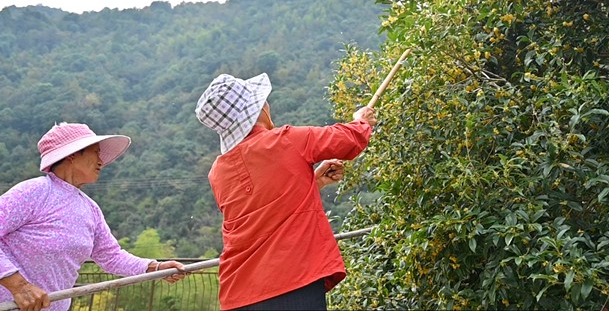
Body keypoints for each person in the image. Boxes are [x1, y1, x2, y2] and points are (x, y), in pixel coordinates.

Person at [195, 72, 377, 311]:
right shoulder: (285, 140)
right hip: (292, 281)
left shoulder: (217, 172)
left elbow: (264, 208)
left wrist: (313, 182)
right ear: (259, 108)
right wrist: (360, 120)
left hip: (239, 292)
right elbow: (348, 141)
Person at [0, 122, 187, 311]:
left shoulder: (90, 209)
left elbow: (111, 256)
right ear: (72, 154)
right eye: (95, 152)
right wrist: (19, 286)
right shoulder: (34, 192)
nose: (101, 161)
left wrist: (154, 267)